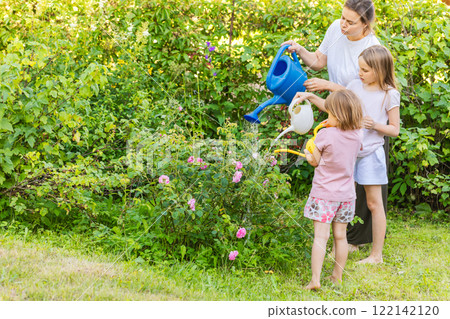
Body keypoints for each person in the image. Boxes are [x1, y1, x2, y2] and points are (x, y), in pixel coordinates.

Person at [282, 0, 387, 253]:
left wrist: (329, 87)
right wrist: (300, 49)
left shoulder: (373, 47)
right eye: (342, 18)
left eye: (350, 22)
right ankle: (342, 235)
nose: (343, 24)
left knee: (364, 182)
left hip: (360, 114)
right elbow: (318, 61)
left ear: (365, 24)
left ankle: (355, 239)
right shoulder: (335, 29)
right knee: (340, 173)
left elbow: (369, 92)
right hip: (338, 110)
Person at [297, 45, 400, 264]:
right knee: (341, 201)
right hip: (348, 154)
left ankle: (376, 255)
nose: (360, 74)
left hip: (371, 154)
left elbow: (395, 129)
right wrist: (311, 97)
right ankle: (339, 247)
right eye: (359, 68)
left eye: (365, 70)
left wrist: (375, 125)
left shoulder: (390, 95)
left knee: (374, 204)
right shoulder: (354, 85)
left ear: (380, 70)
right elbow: (334, 109)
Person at [302, 90, 363, 290]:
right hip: (346, 196)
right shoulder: (356, 135)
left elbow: (315, 162)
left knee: (321, 236)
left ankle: (315, 280)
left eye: (328, 113)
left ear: (337, 114)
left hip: (324, 195)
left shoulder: (325, 134)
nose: (326, 117)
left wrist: (309, 155)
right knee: (341, 236)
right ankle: (337, 276)